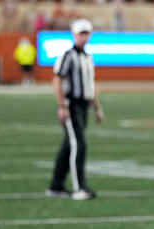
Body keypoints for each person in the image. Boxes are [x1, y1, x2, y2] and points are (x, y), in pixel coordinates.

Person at [47, 18, 104, 200]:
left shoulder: (88, 57)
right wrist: (62, 105)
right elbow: (57, 79)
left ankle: (56, 185)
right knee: (78, 144)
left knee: (68, 146)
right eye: (81, 33)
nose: (84, 37)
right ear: (74, 35)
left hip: (84, 105)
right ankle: (79, 187)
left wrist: (97, 107)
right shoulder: (67, 56)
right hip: (71, 104)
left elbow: (91, 84)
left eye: (86, 33)